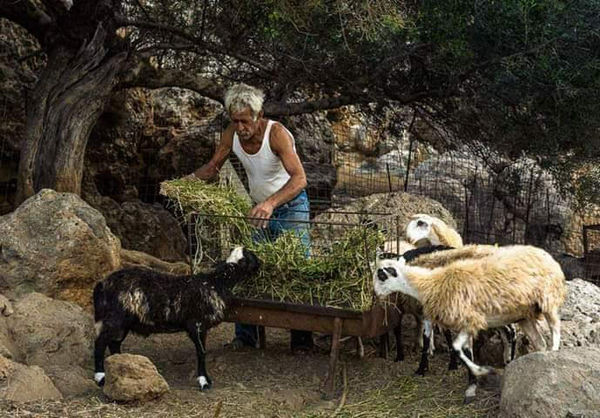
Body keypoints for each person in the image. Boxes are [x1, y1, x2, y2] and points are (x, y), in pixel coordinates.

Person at [188, 83, 313, 352]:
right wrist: (184, 184)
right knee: (245, 267)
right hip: (258, 210)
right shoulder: (231, 135)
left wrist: (270, 203)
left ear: (259, 115)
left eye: (245, 121)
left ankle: (302, 340)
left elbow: (300, 178)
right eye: (235, 121)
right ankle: (247, 337)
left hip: (290, 206)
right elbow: (213, 167)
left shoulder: (276, 134)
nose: (241, 127)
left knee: (298, 267)